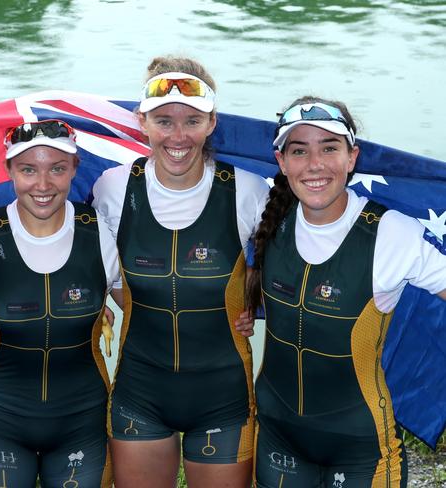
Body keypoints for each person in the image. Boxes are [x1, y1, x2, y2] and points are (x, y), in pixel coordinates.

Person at [245, 96, 446, 488]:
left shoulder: (390, 232)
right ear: (282, 162)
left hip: (361, 448)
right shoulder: (267, 216)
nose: (315, 164)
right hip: (277, 437)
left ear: (352, 157)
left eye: (330, 148)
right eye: (299, 151)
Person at [92, 56, 269, 488]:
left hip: (224, 394)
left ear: (211, 123)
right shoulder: (113, 188)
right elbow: (103, 275)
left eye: (192, 120)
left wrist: (251, 303)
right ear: (142, 122)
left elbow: (281, 268)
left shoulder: (247, 190)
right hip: (140, 392)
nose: (178, 135)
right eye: (163, 120)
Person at [0, 119, 119, 488]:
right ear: (9, 171)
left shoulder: (103, 234)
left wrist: (236, 313)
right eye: (28, 170)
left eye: (57, 169)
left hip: (83, 426)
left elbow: (151, 313)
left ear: (74, 168)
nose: (42, 185)